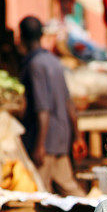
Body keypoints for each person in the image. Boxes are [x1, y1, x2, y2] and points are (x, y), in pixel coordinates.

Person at [19, 15, 86, 194]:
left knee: (38, 193)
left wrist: (39, 145)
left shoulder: (34, 65)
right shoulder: (54, 61)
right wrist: (76, 135)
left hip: (44, 141)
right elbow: (68, 102)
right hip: (60, 138)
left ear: (21, 37)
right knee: (69, 188)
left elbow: (43, 109)